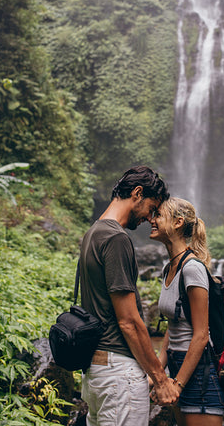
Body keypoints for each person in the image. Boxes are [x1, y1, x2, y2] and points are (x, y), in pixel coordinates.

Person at [79, 166, 180, 426]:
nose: (150, 218)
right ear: (137, 193)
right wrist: (160, 379)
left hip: (96, 371)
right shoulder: (116, 238)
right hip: (118, 375)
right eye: (152, 208)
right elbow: (129, 322)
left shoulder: (93, 233)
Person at [149, 197, 224, 425]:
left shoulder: (192, 268)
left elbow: (202, 334)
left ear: (177, 222)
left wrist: (178, 384)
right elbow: (172, 329)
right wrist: (158, 376)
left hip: (199, 372)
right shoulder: (168, 268)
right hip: (177, 366)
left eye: (158, 216)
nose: (151, 220)